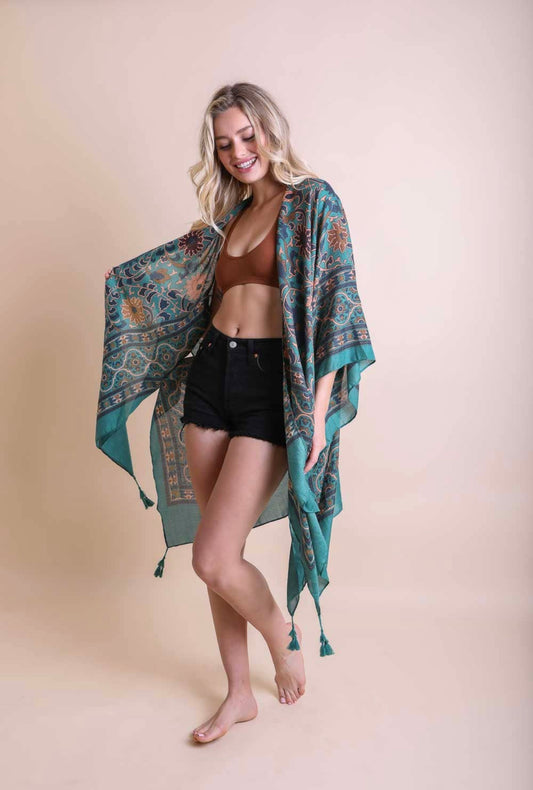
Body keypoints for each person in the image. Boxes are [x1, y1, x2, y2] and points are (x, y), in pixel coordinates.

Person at [102, 82, 375, 744]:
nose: (237, 152)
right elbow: (185, 292)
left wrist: (314, 414)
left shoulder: (313, 203)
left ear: (270, 130)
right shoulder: (225, 223)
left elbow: (337, 305)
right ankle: (237, 694)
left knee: (214, 557)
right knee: (217, 553)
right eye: (224, 144)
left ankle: (282, 636)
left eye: (247, 136)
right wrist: (126, 286)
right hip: (210, 379)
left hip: (269, 388)